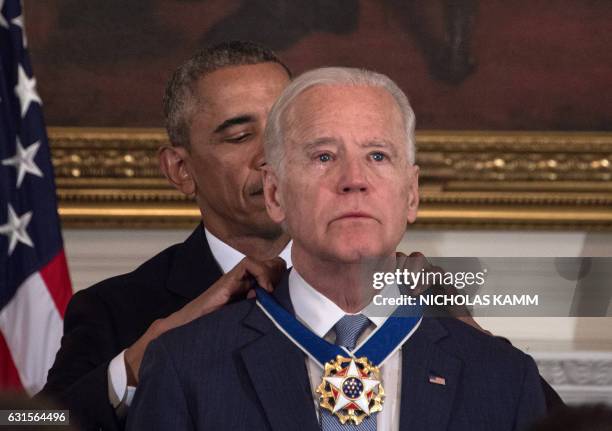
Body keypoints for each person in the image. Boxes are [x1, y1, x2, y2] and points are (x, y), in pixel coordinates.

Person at [127, 67, 548, 430]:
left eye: (378, 156)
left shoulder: (502, 376)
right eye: (324, 156)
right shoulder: (185, 365)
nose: (354, 179)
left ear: (412, 194)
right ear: (275, 194)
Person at [39, 41, 293, 431]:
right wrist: (136, 364)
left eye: (285, 130)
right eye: (240, 136)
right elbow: (23, 419)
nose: (271, 155)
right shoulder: (115, 308)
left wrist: (415, 290)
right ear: (180, 170)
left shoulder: (389, 281)